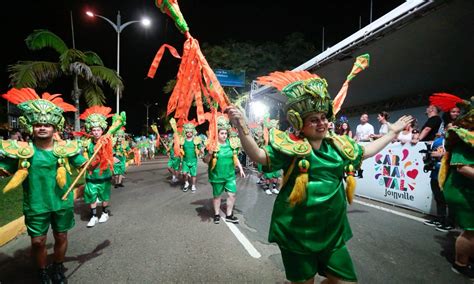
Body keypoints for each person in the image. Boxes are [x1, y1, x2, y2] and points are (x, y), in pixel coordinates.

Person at [226, 68, 413, 283]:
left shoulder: (339, 145)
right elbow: (258, 155)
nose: (322, 123)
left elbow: (367, 151)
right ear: (299, 124)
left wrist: (391, 134)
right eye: (313, 120)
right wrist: (242, 127)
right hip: (296, 230)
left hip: (331, 230)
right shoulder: (290, 146)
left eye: (324, 117)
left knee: (345, 281)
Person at [0, 88, 87, 283]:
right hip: (36, 205)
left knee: (61, 237)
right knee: (38, 242)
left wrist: (104, 147)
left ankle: (57, 268)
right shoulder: (23, 151)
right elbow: (3, 169)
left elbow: (87, 164)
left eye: (47, 124)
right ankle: (42, 272)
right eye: (38, 124)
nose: (42, 128)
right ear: (31, 127)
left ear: (54, 128)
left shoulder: (66, 150)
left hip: (61, 203)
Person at [431, 93, 474, 279]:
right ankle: (461, 264)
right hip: (462, 190)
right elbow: (463, 168)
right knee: (471, 230)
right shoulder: (462, 139)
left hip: (468, 189)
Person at [203, 115, 245, 224]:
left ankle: (229, 215)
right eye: (222, 133)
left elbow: (235, 158)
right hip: (217, 176)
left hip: (230, 175)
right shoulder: (212, 145)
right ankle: (217, 214)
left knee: (232, 194)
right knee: (217, 196)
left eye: (226, 133)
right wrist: (210, 153)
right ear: (217, 134)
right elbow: (205, 161)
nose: (224, 135)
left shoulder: (232, 144)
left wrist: (240, 168)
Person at [80, 106, 114, 228]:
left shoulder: (107, 141)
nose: (96, 132)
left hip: (103, 173)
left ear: (102, 130)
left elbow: (110, 155)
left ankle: (104, 213)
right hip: (91, 173)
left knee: (104, 194)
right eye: (93, 130)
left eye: (98, 130)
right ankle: (94, 216)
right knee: (91, 195)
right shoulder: (87, 143)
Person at [180, 122, 202, 192]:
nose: (189, 133)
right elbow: (179, 150)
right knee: (184, 173)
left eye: (190, 132)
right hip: (185, 161)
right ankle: (186, 183)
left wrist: (201, 151)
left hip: (193, 161)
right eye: (187, 132)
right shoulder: (182, 141)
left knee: (193, 174)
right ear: (185, 133)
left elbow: (199, 149)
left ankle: (193, 185)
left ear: (192, 132)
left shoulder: (195, 141)